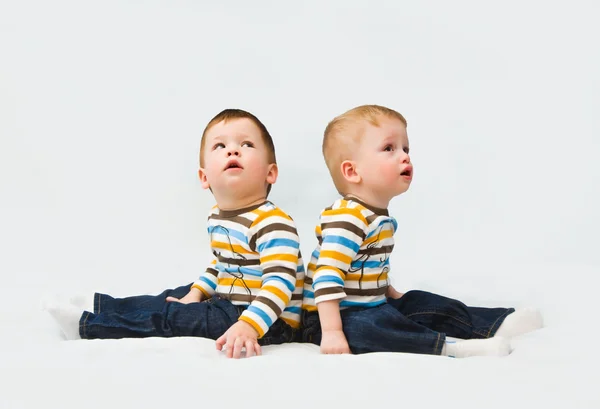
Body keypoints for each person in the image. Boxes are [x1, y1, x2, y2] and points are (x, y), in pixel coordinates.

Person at [45, 108, 305, 359]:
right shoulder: (217, 216)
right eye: (219, 146)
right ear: (204, 177)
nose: (233, 149)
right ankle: (104, 305)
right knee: (172, 296)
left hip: (270, 322)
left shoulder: (273, 223)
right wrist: (196, 293)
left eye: (246, 144)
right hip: (230, 301)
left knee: (175, 319)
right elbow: (223, 265)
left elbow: (280, 283)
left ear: (270, 173)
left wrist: (249, 325)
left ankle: (89, 326)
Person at [301, 104, 543, 358]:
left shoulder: (377, 215)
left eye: (406, 148)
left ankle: (494, 324)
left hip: (371, 303)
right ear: (353, 171)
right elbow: (326, 275)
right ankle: (450, 348)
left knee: (420, 302)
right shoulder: (348, 217)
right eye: (389, 148)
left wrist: (387, 292)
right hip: (328, 316)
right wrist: (331, 332)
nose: (404, 156)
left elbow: (368, 265)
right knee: (368, 328)